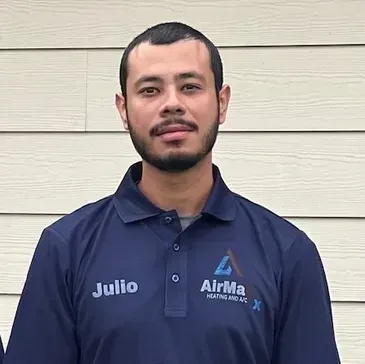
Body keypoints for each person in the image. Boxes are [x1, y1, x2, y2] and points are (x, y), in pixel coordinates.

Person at [4, 21, 341, 364]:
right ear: (123, 109)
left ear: (222, 103)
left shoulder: (288, 252)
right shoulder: (66, 248)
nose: (172, 104)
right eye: (150, 90)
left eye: (190, 86)